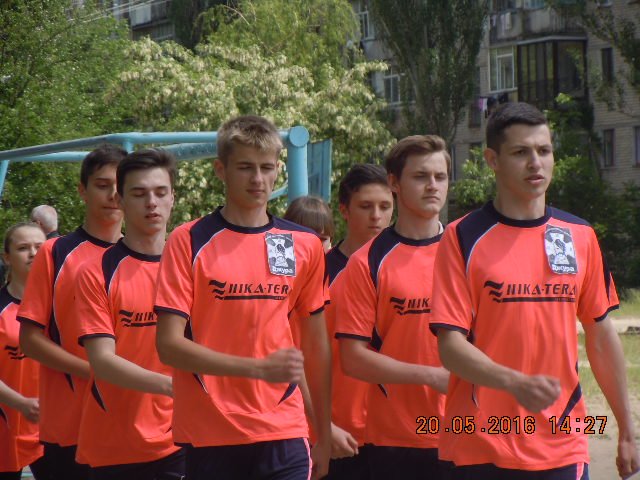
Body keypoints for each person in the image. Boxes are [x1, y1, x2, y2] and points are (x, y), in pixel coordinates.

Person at [431, 102, 640, 480]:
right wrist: (514, 382)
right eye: (520, 152)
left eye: (544, 151)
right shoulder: (462, 237)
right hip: (481, 444)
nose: (535, 163)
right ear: (492, 159)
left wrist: (626, 428)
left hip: (563, 442)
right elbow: (450, 347)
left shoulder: (579, 235)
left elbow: (600, 334)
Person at [154, 115, 331, 480]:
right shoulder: (188, 241)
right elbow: (168, 346)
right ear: (221, 170)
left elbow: (316, 347)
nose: (257, 179)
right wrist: (257, 369)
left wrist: (324, 431)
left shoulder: (304, 244)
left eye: (267, 168)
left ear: (279, 169)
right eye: (245, 167)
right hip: (211, 430)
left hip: (284, 427)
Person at [335, 136, 451, 479]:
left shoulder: (469, 252)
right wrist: (430, 376)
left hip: (469, 432)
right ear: (394, 183)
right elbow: (353, 358)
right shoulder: (366, 262)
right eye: (420, 176)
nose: (432, 185)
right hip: (397, 440)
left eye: (440, 176)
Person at [18, 145, 126, 480]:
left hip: (137, 426)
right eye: (102, 185)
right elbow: (30, 340)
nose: (113, 195)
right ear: (82, 190)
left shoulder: (150, 255)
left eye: (120, 186)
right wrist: (97, 370)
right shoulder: (56, 252)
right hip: (71, 426)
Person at [74, 149, 184, 480]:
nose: (152, 203)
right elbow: (102, 361)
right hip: (115, 443)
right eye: (139, 194)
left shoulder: (194, 267)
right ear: (120, 200)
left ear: (173, 198)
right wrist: (172, 386)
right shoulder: (95, 271)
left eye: (160, 192)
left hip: (183, 439)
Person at [0, 223, 48, 480]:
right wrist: (20, 403)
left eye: (39, 247)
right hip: (8, 426)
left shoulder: (63, 304)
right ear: (7, 257)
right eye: (23, 248)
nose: (33, 253)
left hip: (53, 427)